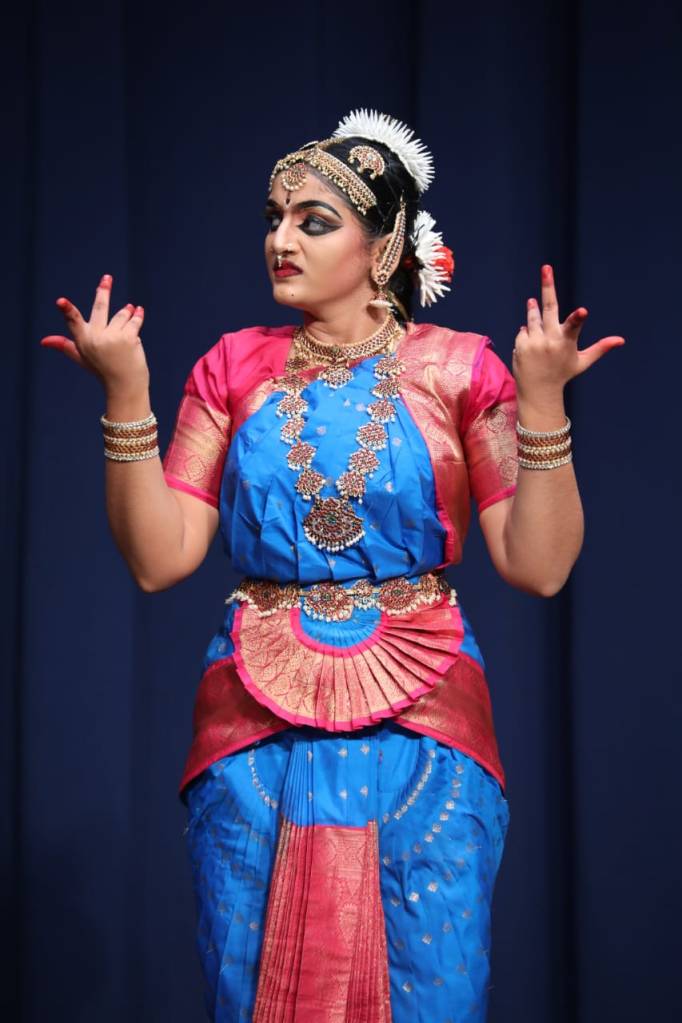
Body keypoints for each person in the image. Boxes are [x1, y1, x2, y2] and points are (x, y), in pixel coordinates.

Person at [41, 109, 624, 1022]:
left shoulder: (461, 370)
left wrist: (543, 401)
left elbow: (538, 566)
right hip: (253, 724)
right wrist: (126, 392)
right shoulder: (232, 368)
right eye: (274, 218)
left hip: (427, 721)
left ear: (382, 244)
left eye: (313, 221)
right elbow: (160, 559)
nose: (281, 240)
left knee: (432, 984)